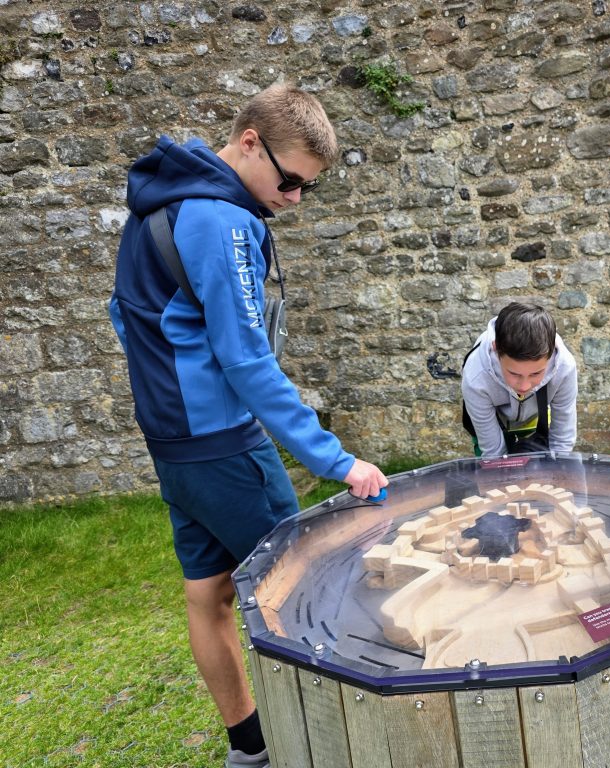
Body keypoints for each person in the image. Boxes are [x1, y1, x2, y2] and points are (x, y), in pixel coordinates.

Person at [109, 83, 387, 768]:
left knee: (209, 595)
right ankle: (336, 748)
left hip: (173, 446)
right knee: (313, 588)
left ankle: (250, 750)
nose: (292, 199)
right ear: (250, 142)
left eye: (308, 190)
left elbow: (126, 316)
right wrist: (335, 460)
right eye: (290, 180)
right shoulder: (220, 220)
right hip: (223, 443)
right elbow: (245, 358)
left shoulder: (161, 202)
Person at [461, 301, 578, 457]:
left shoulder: (565, 367)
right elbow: (493, 452)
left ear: (550, 355)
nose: (524, 387)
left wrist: (558, 473)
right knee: (494, 470)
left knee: (545, 466)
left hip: (536, 417)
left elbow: (562, 440)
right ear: (496, 350)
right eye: (514, 373)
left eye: (536, 373)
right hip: (495, 420)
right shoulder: (475, 377)